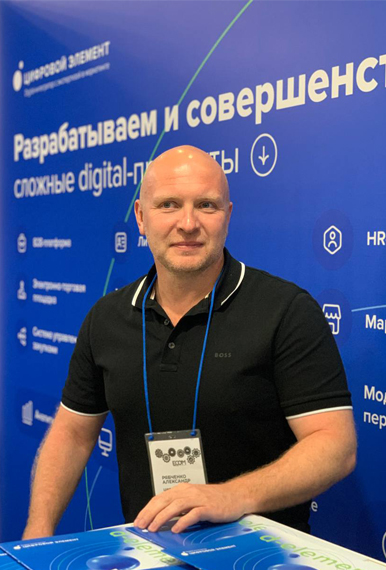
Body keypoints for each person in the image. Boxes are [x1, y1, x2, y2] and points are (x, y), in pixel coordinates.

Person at [23, 146, 356, 540]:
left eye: (206, 205)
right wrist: (37, 531)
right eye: (168, 205)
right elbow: (73, 434)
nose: (187, 223)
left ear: (227, 216)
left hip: (261, 557)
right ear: (141, 218)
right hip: (149, 550)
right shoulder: (107, 318)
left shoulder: (286, 310)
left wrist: (232, 496)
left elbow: (335, 445)